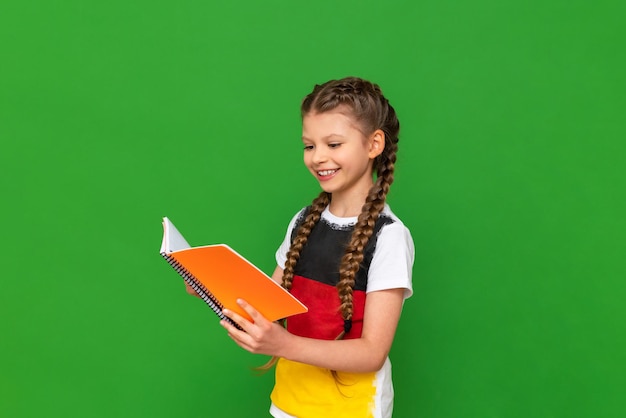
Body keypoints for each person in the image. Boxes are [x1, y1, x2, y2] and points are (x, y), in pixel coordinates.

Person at [217, 76, 415, 418]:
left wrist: (285, 345)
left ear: (374, 144)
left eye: (334, 144)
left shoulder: (389, 236)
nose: (317, 157)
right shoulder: (304, 220)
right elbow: (268, 303)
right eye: (309, 145)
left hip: (352, 411)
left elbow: (372, 354)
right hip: (289, 403)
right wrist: (212, 285)